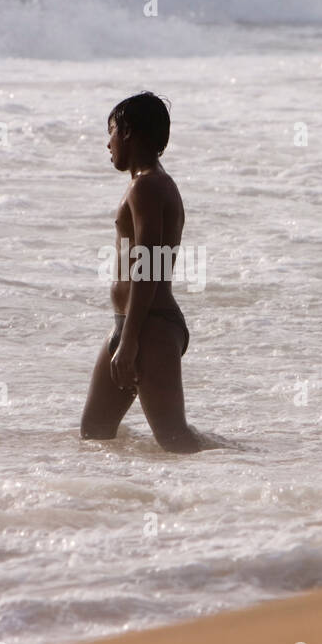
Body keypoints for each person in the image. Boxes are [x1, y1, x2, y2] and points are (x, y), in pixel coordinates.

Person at [80, 92, 212, 453]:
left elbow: (149, 264)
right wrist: (125, 334)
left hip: (148, 326)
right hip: (130, 323)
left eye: (110, 132)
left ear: (129, 132)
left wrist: (131, 340)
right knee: (95, 431)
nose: (107, 144)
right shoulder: (147, 183)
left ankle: (254, 477)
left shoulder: (147, 186)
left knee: (175, 440)